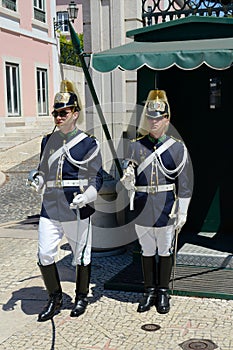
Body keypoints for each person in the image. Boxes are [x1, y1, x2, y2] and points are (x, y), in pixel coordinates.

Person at [27, 80, 103, 322]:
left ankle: (81, 296)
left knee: (81, 255)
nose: (58, 117)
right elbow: (42, 170)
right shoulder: (47, 141)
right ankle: (55, 297)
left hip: (76, 206)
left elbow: (97, 177)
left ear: (75, 114)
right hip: (50, 206)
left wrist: (88, 196)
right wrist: (38, 180)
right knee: (45, 254)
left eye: (63, 112)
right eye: (56, 113)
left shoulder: (88, 143)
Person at [121, 89, 192, 314]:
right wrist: (127, 180)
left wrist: (183, 211)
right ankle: (148, 290)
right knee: (147, 249)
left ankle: (163, 292)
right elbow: (128, 174)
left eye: (158, 118)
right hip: (143, 205)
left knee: (164, 249)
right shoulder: (135, 145)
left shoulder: (176, 147)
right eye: (150, 117)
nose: (153, 121)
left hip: (165, 206)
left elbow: (185, 181)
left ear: (166, 119)